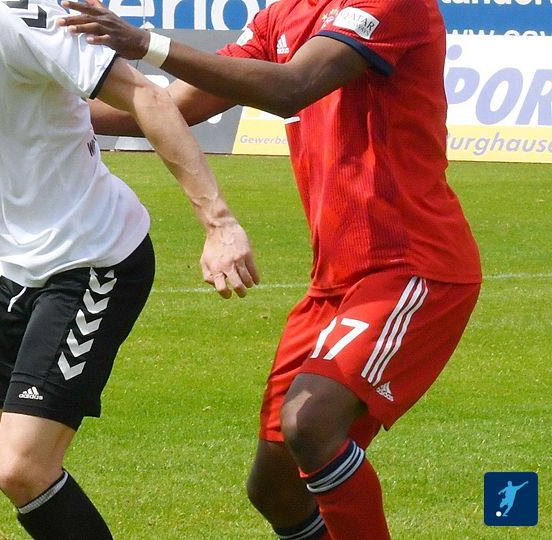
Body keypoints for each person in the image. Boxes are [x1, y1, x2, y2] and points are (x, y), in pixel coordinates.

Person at [60, 0, 482, 538]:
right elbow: (171, 106)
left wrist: (145, 44)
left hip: (411, 268)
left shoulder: (392, 4)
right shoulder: (282, 15)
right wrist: (47, 111)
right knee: (275, 488)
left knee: (311, 423)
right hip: (333, 283)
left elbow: (292, 87)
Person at [0, 0, 258, 537]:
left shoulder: (16, 15)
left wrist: (220, 223)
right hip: (20, 268)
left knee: (22, 467)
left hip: (94, 259)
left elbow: (147, 96)